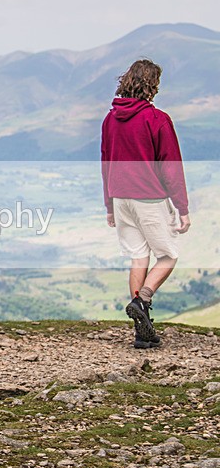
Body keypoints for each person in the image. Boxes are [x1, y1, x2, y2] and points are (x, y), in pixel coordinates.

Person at [101, 59, 191, 349]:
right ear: (152, 86)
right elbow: (171, 167)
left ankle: (143, 332)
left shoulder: (109, 120)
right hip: (148, 198)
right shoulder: (157, 119)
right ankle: (142, 300)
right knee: (168, 256)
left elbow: (106, 163)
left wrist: (109, 205)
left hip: (121, 197)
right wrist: (183, 208)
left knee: (139, 257)